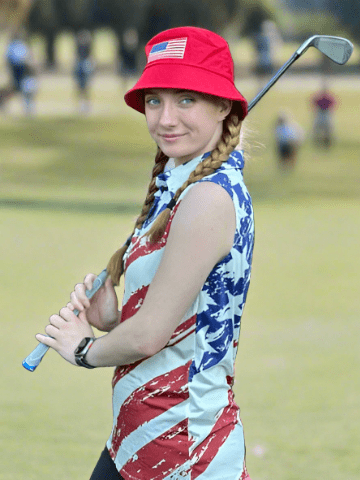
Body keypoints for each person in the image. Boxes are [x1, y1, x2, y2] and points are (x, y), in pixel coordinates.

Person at [36, 26, 254, 480]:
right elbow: (171, 318)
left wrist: (81, 349)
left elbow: (150, 336)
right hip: (137, 438)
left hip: (182, 450)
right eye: (155, 100)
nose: (166, 118)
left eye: (186, 99)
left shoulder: (208, 198)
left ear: (223, 106)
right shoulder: (182, 184)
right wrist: (116, 320)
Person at [73, 29, 94, 114]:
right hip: (80, 65)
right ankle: (81, 105)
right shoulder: (78, 47)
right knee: (80, 87)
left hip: (85, 64)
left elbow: (89, 57)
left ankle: (86, 105)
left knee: (86, 87)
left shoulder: (88, 46)